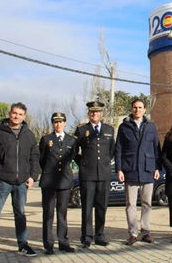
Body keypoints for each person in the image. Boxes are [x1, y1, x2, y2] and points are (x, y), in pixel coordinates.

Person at [0, 102, 40, 261]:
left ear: (24, 117)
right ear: (9, 113)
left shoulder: (29, 134)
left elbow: (34, 156)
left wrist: (33, 176)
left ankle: (23, 245)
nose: (17, 117)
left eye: (20, 114)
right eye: (14, 113)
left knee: (20, 214)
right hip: (1, 181)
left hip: (21, 182)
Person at [115, 99, 162, 246]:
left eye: (140, 107)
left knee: (147, 203)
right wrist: (119, 169)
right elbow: (118, 149)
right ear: (131, 109)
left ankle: (146, 232)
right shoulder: (124, 127)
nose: (137, 110)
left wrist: (157, 168)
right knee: (130, 204)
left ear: (144, 109)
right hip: (130, 170)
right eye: (135, 108)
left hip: (148, 170)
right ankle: (133, 233)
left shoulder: (151, 126)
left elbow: (156, 148)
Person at [74, 101, 115, 248]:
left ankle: (100, 235)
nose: (94, 114)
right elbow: (74, 151)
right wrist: (84, 163)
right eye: (92, 112)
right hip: (87, 175)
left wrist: (103, 163)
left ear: (101, 114)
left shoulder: (109, 130)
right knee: (87, 206)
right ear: (88, 113)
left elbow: (111, 151)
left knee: (102, 206)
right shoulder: (81, 130)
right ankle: (86, 236)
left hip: (103, 174)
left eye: (97, 112)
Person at [39, 112, 76, 255]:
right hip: (49, 181)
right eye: (55, 122)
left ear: (65, 123)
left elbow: (71, 157)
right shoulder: (46, 139)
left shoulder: (72, 140)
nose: (58, 124)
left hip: (64, 181)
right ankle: (48, 244)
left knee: (62, 213)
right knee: (48, 213)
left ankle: (63, 242)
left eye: (61, 122)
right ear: (52, 123)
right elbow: (42, 159)